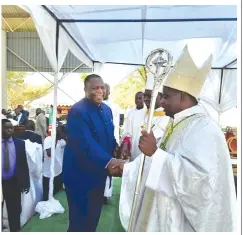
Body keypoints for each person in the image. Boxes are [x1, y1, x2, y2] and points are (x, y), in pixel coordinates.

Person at [119, 46, 236, 232]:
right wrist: (129, 168)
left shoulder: (205, 129)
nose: (162, 101)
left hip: (180, 222)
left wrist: (155, 153)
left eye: (166, 96)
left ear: (182, 96)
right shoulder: (176, 123)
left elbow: (200, 182)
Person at [63, 74, 125, 232]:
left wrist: (117, 149)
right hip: (80, 177)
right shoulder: (77, 111)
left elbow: (108, 136)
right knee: (79, 223)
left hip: (99, 174)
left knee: (93, 219)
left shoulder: (107, 110)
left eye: (102, 87)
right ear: (85, 90)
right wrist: (110, 162)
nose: (99, 91)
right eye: (95, 88)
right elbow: (84, 142)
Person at [120, 75, 169, 161]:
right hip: (134, 161)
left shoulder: (167, 118)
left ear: (161, 97)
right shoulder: (137, 114)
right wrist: (125, 145)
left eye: (149, 96)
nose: (145, 99)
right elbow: (128, 134)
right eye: (145, 96)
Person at [2, 119, 30, 232]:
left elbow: (23, 164)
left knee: (14, 211)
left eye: (11, 128)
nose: (9, 130)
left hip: (13, 182)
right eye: (5, 128)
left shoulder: (19, 143)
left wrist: (26, 182)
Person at [103, 83, 121, 204]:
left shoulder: (114, 107)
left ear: (109, 92)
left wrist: (116, 144)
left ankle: (106, 194)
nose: (104, 92)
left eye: (106, 90)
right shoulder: (95, 105)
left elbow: (115, 126)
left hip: (110, 142)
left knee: (109, 168)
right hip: (99, 143)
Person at [43, 126, 66, 201]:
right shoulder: (48, 140)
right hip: (48, 173)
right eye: (64, 134)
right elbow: (49, 154)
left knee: (56, 193)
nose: (65, 136)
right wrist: (55, 139)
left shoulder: (61, 141)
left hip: (58, 171)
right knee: (47, 195)